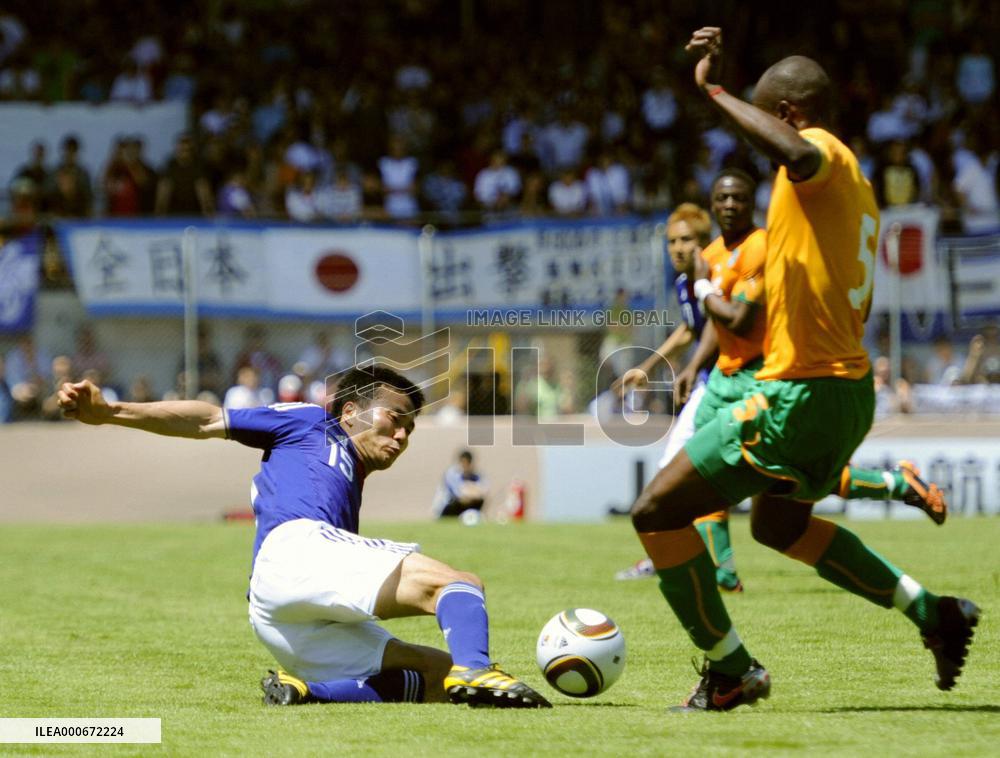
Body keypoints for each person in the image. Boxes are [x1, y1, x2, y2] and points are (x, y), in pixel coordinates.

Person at [627, 27, 978, 712]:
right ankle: (933, 613)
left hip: (803, 390)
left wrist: (713, 91)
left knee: (656, 512)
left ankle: (730, 670)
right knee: (777, 527)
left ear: (787, 113)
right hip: (843, 391)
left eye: (765, 114)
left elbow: (792, 147)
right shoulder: (850, 191)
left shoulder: (819, 154)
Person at [57, 366, 549, 708]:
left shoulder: (349, 478)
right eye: (395, 419)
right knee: (457, 584)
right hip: (294, 552)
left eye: (411, 429)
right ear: (352, 411)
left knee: (436, 677)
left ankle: (308, 691)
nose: (402, 436)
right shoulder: (313, 421)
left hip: (276, 616)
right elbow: (206, 418)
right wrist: (110, 411)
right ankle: (477, 665)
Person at [615, 171, 947, 586]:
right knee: (701, 470)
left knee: (782, 478)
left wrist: (696, 326)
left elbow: (736, 317)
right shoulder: (710, 262)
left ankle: (895, 485)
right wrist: (680, 366)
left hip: (762, 376)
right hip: (720, 378)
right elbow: (708, 328)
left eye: (686, 240)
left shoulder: (759, 249)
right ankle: (719, 568)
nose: (679, 248)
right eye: (673, 241)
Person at [434, 450, 489, 520]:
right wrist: (472, 490)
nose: (464, 466)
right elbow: (459, 494)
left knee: (480, 501)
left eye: (467, 463)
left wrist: (471, 491)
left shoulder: (477, 476)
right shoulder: (452, 474)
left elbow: (483, 491)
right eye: (462, 463)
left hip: (467, 505)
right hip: (447, 507)